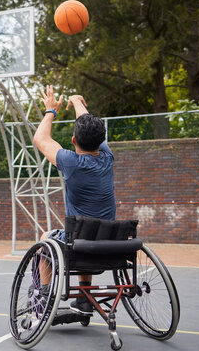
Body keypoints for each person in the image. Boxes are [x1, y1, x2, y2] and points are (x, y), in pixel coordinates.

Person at [33, 86, 116, 315]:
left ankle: (44, 299)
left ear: (72, 140)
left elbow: (40, 138)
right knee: (86, 230)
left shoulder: (72, 162)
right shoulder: (107, 156)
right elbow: (90, 126)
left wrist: (51, 111)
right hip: (108, 243)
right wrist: (76, 100)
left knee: (45, 238)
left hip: (78, 243)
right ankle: (85, 297)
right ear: (101, 141)